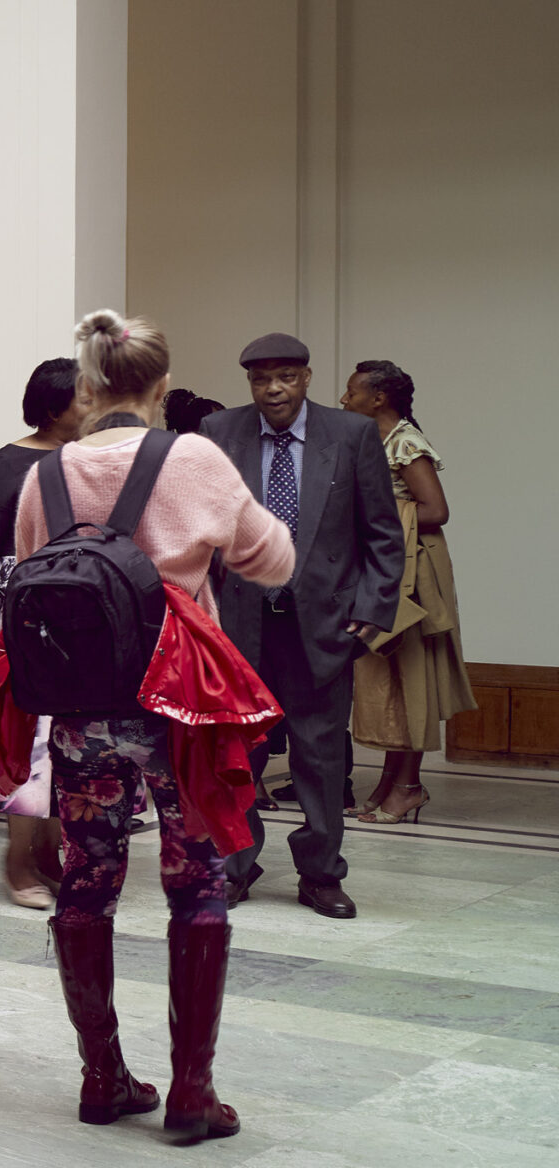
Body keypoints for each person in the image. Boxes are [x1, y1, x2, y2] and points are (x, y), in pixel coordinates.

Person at [5, 310, 294, 1143]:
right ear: (160, 386)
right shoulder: (193, 456)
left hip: (83, 709)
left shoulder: (47, 474)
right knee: (195, 881)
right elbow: (272, 561)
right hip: (180, 709)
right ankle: (192, 1093)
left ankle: (103, 1077)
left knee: (88, 879)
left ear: (88, 387)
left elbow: (35, 568)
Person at [198, 333, 402, 917]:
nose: (273, 389)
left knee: (319, 756)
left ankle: (320, 874)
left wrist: (371, 611)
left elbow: (383, 536)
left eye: (285, 376)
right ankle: (234, 865)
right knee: (234, 755)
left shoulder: (352, 435)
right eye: (262, 379)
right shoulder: (220, 434)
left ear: (307, 377)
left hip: (324, 625)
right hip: (239, 625)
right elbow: (202, 527)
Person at [0, 357, 82, 908]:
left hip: (84, 613)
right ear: (54, 406)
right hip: (22, 611)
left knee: (73, 738)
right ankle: (16, 862)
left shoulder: (94, 460)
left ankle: (53, 855)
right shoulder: (2, 465)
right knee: (26, 735)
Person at [340, 360, 474, 823]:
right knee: (389, 676)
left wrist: (374, 513)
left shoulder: (406, 442)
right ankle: (389, 781)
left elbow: (435, 509)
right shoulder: (372, 441)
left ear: (378, 398)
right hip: (386, 566)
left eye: (352, 391)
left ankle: (409, 786)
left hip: (414, 572)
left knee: (412, 676)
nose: (344, 399)